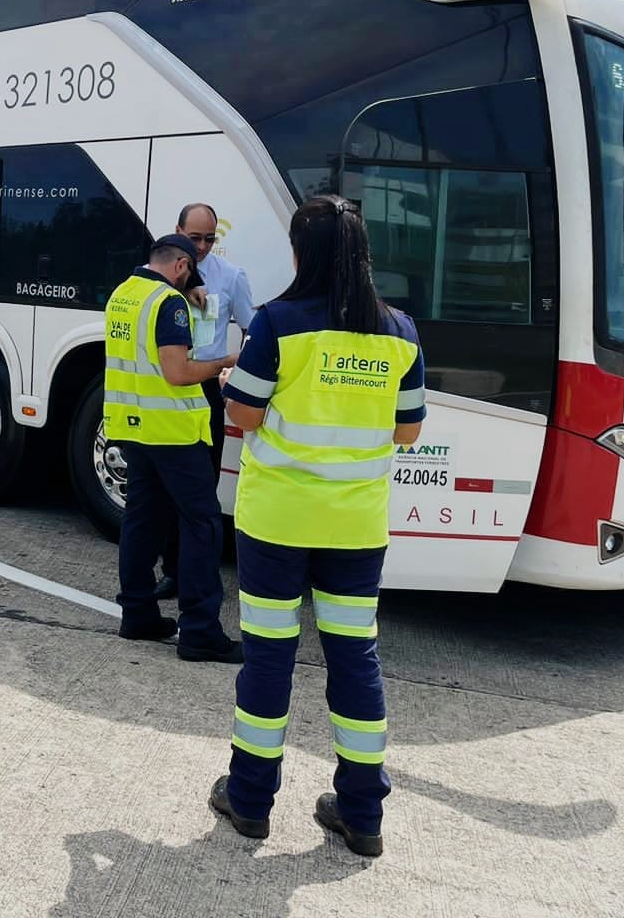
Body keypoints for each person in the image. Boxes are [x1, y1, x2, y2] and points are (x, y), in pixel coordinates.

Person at [207, 195, 424, 858]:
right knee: (355, 659)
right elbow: (408, 430)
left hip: (276, 523)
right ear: (362, 255)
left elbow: (242, 417)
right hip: (356, 527)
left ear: (301, 254)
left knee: (269, 655)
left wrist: (228, 381)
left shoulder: (278, 323)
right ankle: (362, 815)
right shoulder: (400, 331)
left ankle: (249, 802)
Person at [104, 234, 243, 664]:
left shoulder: (122, 295)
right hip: (173, 433)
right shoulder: (168, 303)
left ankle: (137, 613)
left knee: (142, 520)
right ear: (181, 265)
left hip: (133, 428)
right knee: (202, 525)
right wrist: (224, 361)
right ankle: (200, 631)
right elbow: (177, 372)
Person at [154, 202, 256, 601]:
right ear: (177, 230)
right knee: (163, 487)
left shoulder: (230, 277)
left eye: (210, 238)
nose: (202, 246)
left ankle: (194, 574)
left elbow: (251, 330)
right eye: (194, 237)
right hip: (166, 389)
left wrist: (238, 370)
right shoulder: (162, 275)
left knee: (201, 488)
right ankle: (171, 572)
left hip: (205, 389)